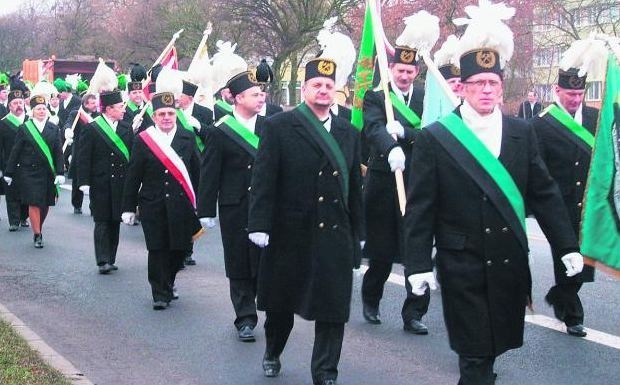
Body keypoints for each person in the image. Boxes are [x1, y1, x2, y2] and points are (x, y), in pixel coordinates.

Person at [402, 5, 584, 383]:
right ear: (464, 87)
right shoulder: (436, 138)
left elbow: (545, 193)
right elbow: (421, 208)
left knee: (494, 344)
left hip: (507, 259)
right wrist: (417, 263)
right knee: (474, 351)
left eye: (493, 84)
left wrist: (566, 245)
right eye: (478, 84)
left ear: (502, 87)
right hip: (461, 261)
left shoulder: (522, 132)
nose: (486, 90)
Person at [247, 57, 363, 385]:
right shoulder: (279, 126)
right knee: (281, 304)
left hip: (335, 233)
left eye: (329, 85)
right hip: (290, 232)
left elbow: (355, 186)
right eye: (317, 85)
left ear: (335, 90)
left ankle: (325, 373)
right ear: (304, 89)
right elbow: (264, 179)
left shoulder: (349, 132)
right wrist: (259, 224)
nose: (323, 90)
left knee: (333, 308)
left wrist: (359, 232)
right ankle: (273, 350)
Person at [361, 43, 429, 333]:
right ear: (391, 70)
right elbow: (373, 128)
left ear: (416, 71)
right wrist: (391, 148)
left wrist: (407, 135)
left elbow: (433, 131)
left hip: (419, 181)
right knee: (382, 250)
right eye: (399, 70)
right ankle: (371, 299)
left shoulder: (426, 97)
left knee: (418, 249)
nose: (404, 75)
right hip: (384, 180)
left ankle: (414, 313)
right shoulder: (377, 96)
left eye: (409, 70)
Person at [197, 70, 266, 342]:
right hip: (234, 206)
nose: (261, 98)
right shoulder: (220, 130)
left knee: (263, 261)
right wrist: (205, 210)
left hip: (264, 206)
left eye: (262, 94)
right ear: (238, 98)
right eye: (254, 94)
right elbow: (210, 172)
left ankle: (260, 303)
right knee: (238, 261)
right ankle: (245, 318)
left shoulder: (270, 125)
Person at [531, 67, 598, 337]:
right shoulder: (542, 123)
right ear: (557, 91)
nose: (576, 99)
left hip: (589, 204)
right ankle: (572, 315)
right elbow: (537, 168)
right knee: (567, 259)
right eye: (570, 93)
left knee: (587, 263)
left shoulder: (596, 118)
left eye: (580, 93)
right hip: (558, 204)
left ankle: (559, 296)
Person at [121, 91, 202, 310]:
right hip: (152, 203)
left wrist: (202, 205)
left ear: (176, 114)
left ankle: (169, 281)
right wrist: (128, 207)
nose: (166, 117)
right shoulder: (144, 140)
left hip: (181, 205)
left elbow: (197, 172)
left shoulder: (187, 137)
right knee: (157, 249)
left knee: (180, 249)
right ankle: (159, 293)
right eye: (161, 114)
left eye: (170, 113)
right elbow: (133, 174)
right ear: (154, 117)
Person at [78, 90, 133, 274]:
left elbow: (131, 157)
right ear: (109, 109)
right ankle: (102, 261)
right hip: (100, 182)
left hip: (121, 182)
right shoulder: (92, 128)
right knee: (101, 220)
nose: (123, 110)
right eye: (119, 107)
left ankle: (111, 257)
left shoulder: (126, 128)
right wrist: (84, 182)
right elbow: (84, 157)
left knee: (115, 221)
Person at [4, 95, 64, 248]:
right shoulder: (25, 128)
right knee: (34, 202)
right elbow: (15, 151)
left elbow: (58, 152)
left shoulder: (54, 128)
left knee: (45, 204)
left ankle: (39, 226)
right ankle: (37, 234)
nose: (42, 111)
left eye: (44, 108)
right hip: (29, 172)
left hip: (47, 172)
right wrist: (9, 172)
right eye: (38, 109)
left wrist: (60, 173)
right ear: (32, 111)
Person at [0, 86, 30, 230]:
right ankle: (14, 220)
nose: (18, 106)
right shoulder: (3, 123)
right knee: (11, 193)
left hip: (28, 163)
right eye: (15, 103)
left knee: (26, 191)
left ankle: (24, 217)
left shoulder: (31, 121)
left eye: (20, 102)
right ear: (9, 106)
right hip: (9, 164)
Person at [64, 93, 99, 214]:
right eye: (93, 103)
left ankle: (94, 207)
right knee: (78, 179)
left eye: (96, 102)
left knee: (95, 180)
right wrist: (67, 130)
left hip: (94, 152)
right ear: (85, 104)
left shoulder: (98, 116)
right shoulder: (76, 114)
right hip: (80, 151)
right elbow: (68, 123)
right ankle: (77, 204)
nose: (96, 105)